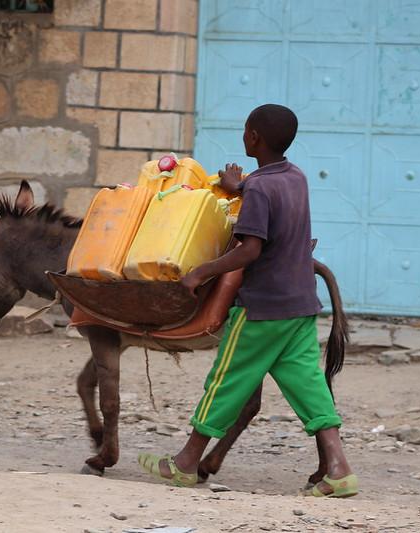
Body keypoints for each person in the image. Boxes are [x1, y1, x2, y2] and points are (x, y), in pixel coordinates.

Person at [137, 104, 357, 498]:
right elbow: (275, 206)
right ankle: (339, 469)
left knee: (225, 381)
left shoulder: (259, 186)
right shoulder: (295, 177)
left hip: (262, 307)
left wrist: (201, 272)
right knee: (308, 386)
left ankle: (186, 463)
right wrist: (240, 188)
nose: (243, 135)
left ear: (253, 137)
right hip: (300, 302)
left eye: (245, 130)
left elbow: (250, 249)